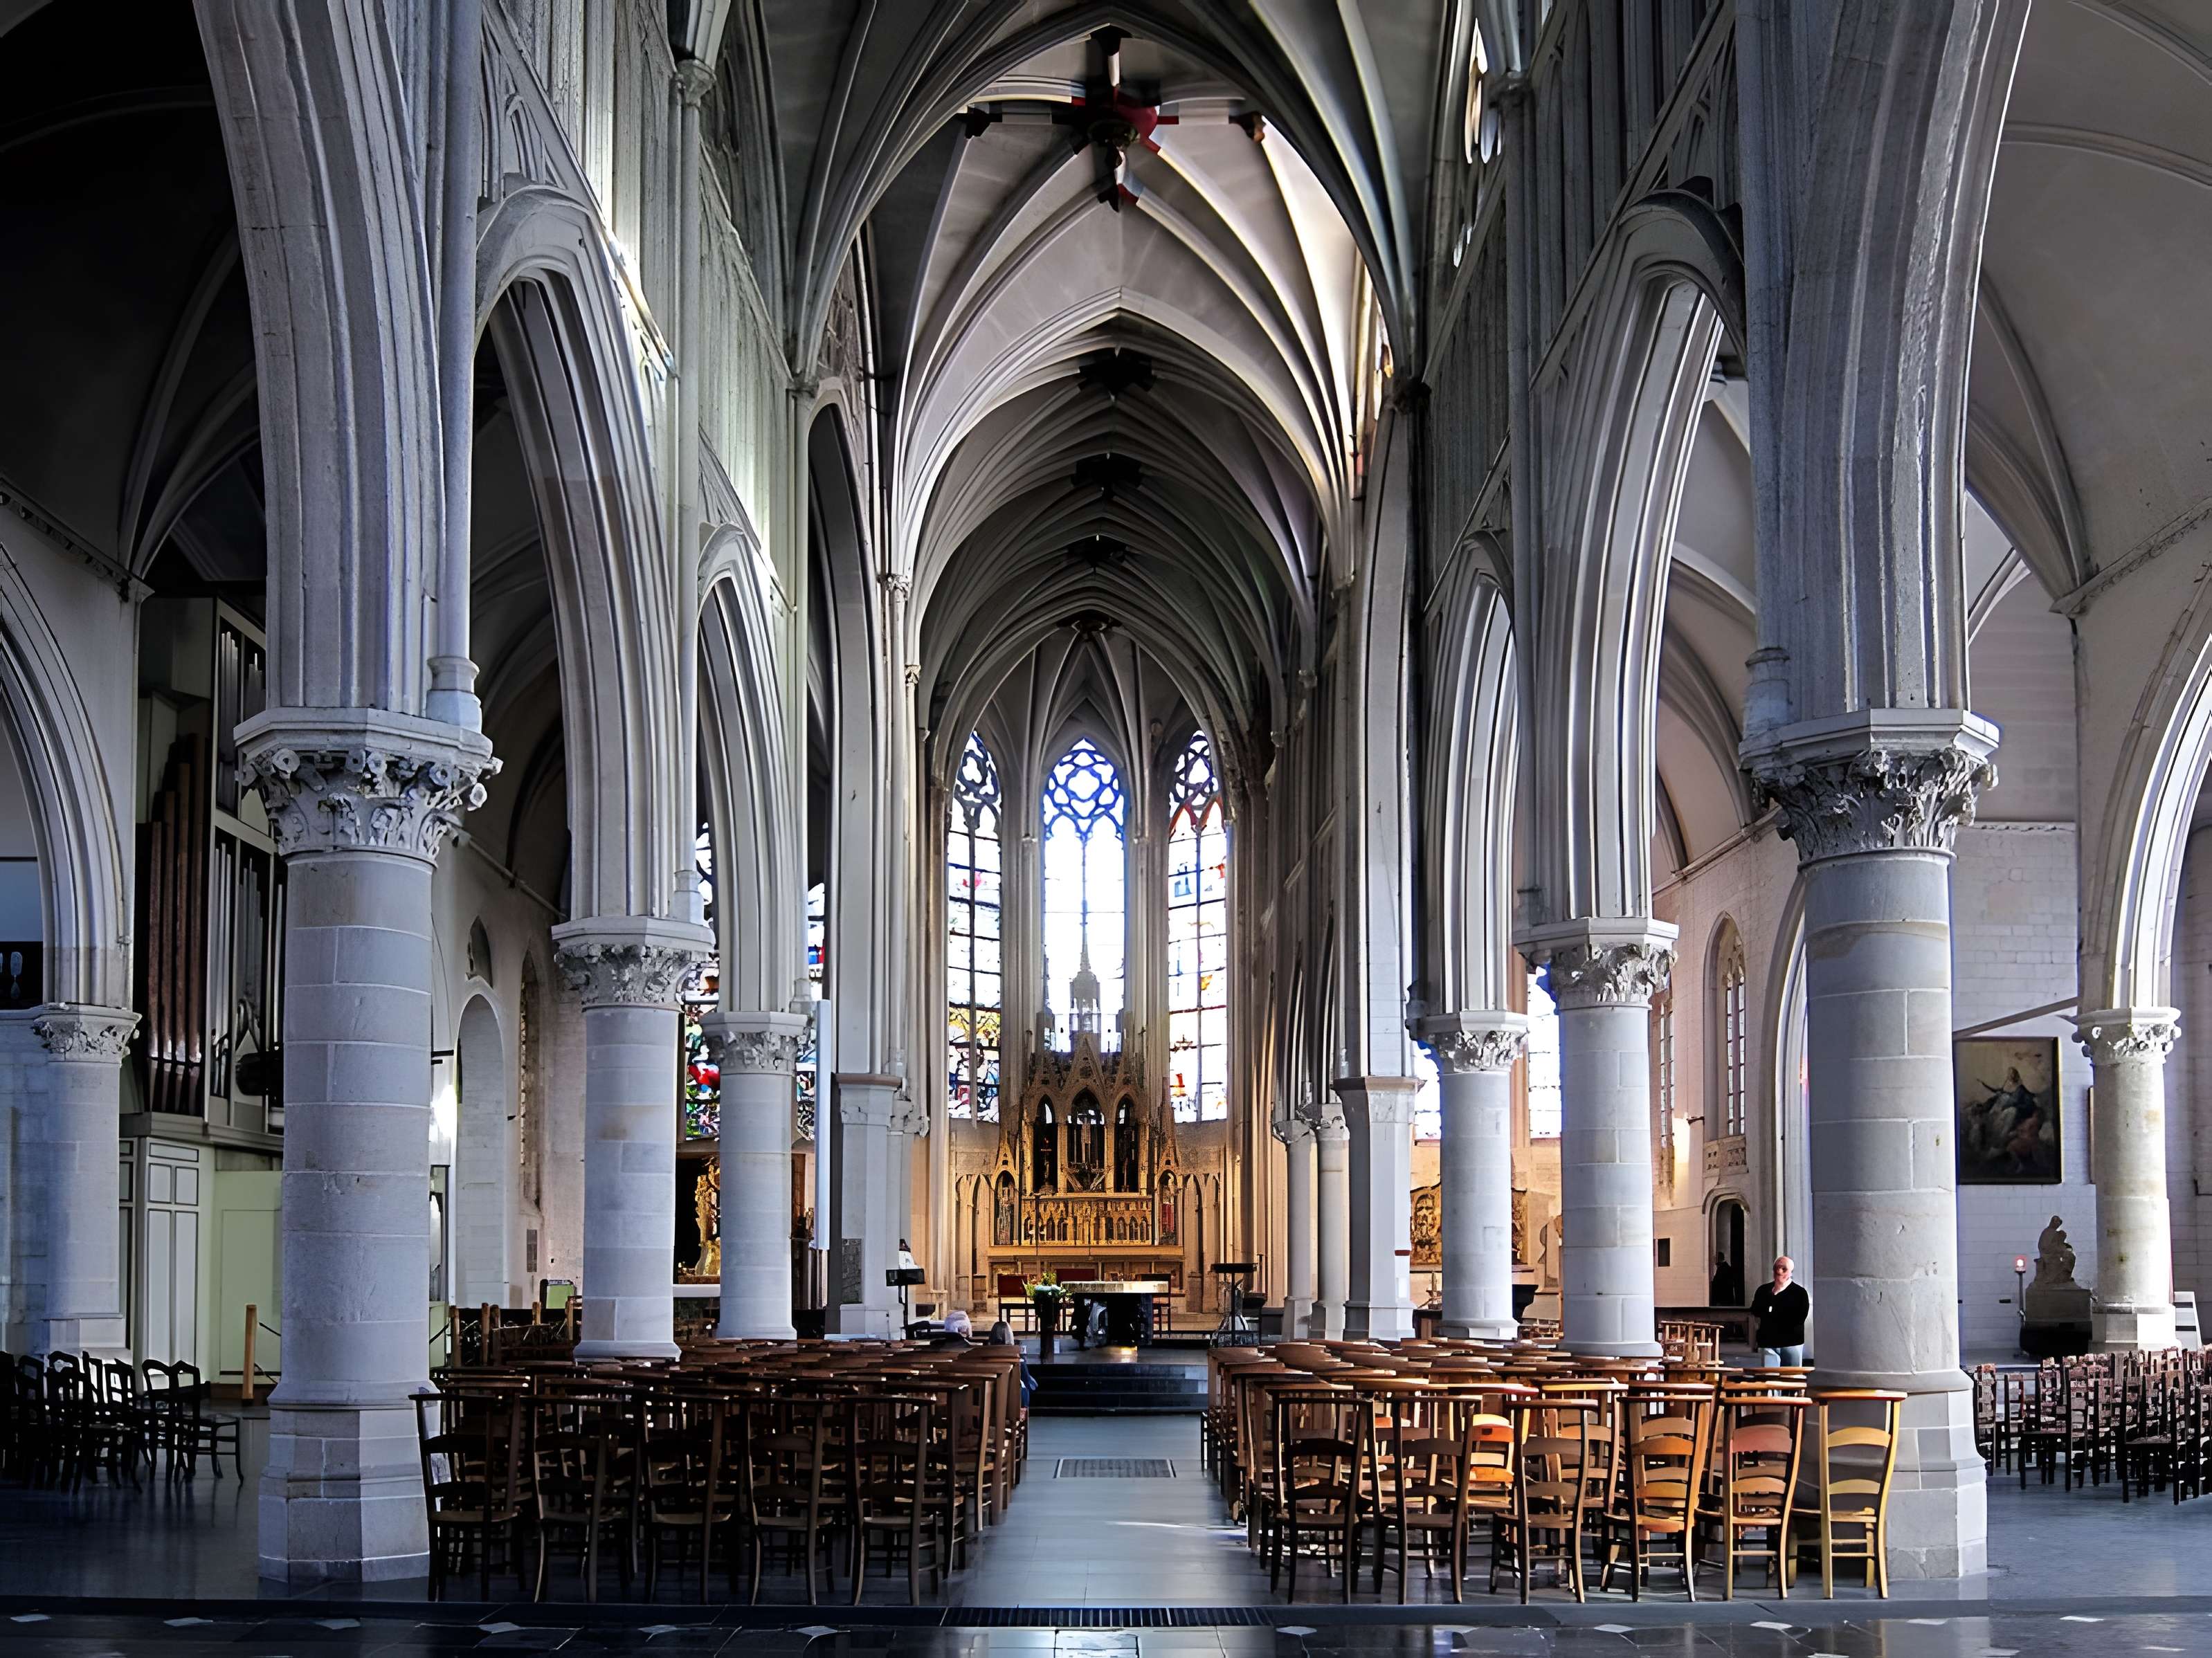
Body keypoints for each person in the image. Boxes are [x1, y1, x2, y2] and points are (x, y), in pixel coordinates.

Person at [1749, 1256, 1808, 1367]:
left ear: (1791, 1272)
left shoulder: (1799, 1293)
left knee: (1791, 1378)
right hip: (1768, 1342)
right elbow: (1756, 1311)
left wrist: (1772, 1316)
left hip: (1791, 1343)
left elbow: (1799, 1318)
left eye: (1784, 1269)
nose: (1779, 1272)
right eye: (1776, 1268)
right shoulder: (1763, 1291)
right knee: (1769, 1378)